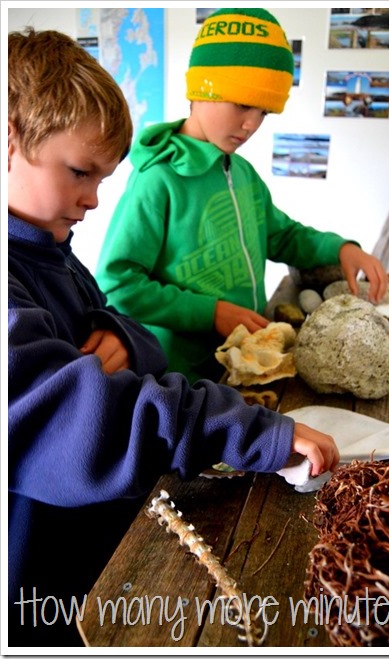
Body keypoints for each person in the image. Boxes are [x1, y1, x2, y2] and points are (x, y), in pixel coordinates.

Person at [8, 27, 339, 648]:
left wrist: (125, 339)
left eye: (101, 180)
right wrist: (243, 429)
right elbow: (72, 411)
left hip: (108, 525)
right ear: (9, 137)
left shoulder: (57, 250)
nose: (93, 201)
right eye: (80, 173)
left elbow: (131, 333)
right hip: (35, 583)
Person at [96, 8, 389, 384]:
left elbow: (281, 235)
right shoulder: (157, 180)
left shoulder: (243, 173)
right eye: (242, 104)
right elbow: (118, 282)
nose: (252, 124)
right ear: (202, 89)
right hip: (177, 375)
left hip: (243, 363)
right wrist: (211, 312)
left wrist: (341, 249)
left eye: (264, 112)